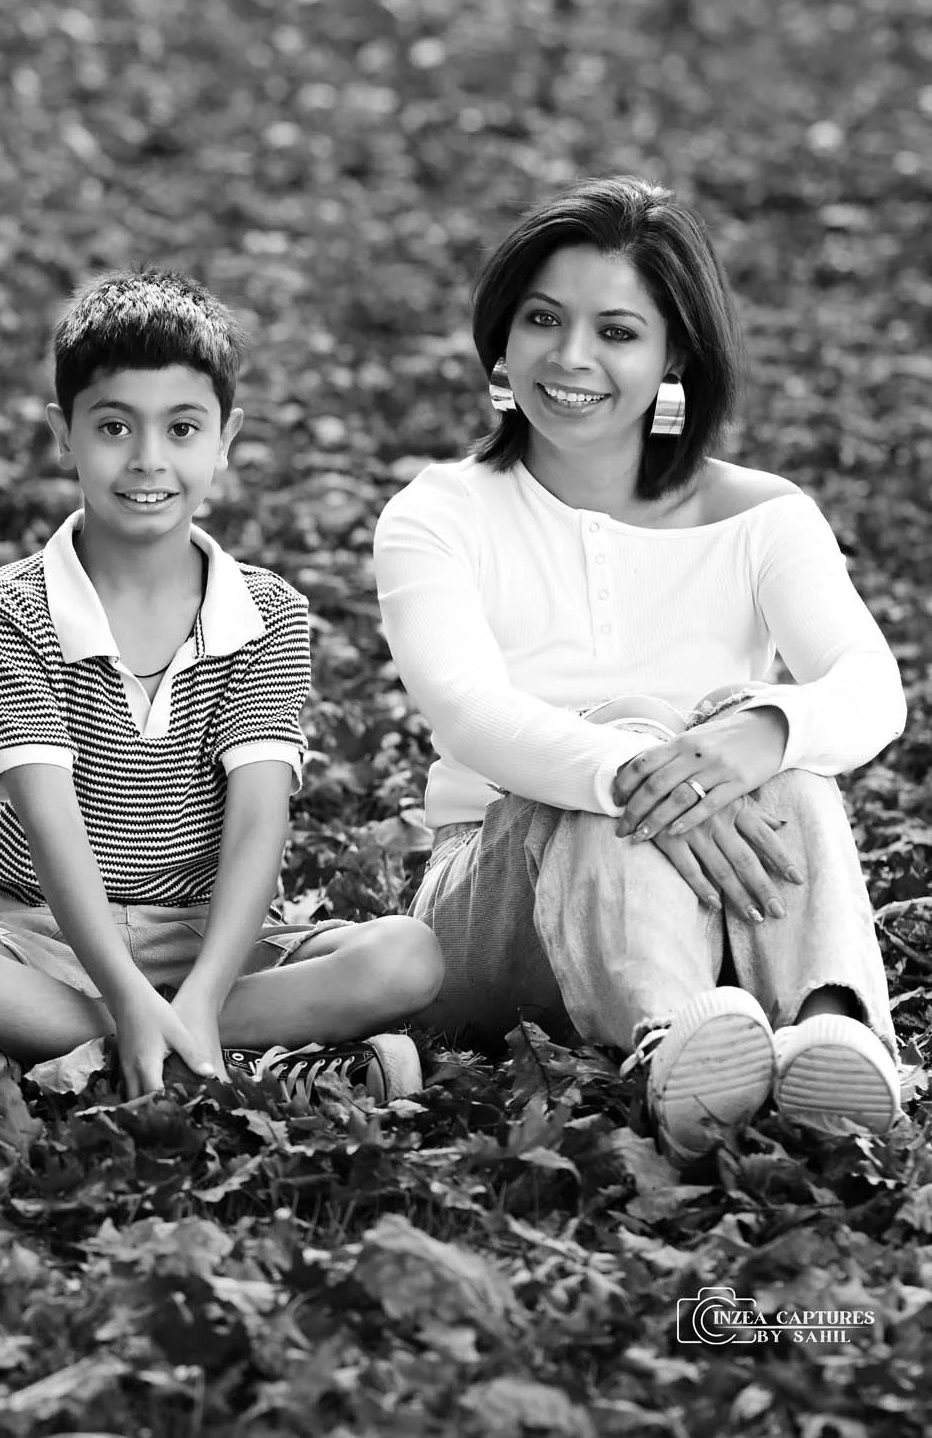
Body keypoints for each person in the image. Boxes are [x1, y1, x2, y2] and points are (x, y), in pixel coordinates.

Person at [373, 175, 908, 1158]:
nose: (571, 358)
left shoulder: (762, 517)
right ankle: (671, 1041)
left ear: (674, 358)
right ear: (501, 337)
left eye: (616, 332)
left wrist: (755, 735)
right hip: (487, 912)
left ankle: (831, 1030)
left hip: (715, 922)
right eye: (543, 319)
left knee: (779, 741)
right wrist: (634, 764)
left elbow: (870, 691)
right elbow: (465, 714)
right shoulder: (438, 513)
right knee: (631, 724)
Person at [0, 269, 443, 1101]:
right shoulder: (9, 608)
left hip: (208, 938)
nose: (148, 461)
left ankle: (136, 1038)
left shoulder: (269, 611)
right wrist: (125, 991)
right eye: (113, 427)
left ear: (225, 435)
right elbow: (52, 826)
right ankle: (182, 1044)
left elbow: (257, 821)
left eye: (181, 428)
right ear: (64, 434)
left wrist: (200, 992)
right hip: (38, 930)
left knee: (407, 955)